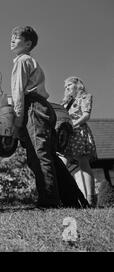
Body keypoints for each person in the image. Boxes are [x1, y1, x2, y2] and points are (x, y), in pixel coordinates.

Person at [10, 25, 89, 209]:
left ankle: (49, 201)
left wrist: (18, 119)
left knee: (39, 155)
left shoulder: (22, 60)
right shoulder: (28, 61)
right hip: (43, 108)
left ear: (28, 43)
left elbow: (18, 92)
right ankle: (75, 200)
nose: (12, 39)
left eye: (16, 37)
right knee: (48, 155)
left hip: (33, 106)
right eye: (11, 36)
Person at [59, 76, 98, 207]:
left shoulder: (85, 97)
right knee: (61, 165)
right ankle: (63, 197)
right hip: (67, 136)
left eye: (69, 85)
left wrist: (73, 124)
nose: (67, 88)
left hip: (78, 132)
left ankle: (90, 199)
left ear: (77, 84)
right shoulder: (65, 103)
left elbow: (86, 115)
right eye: (65, 87)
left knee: (83, 163)